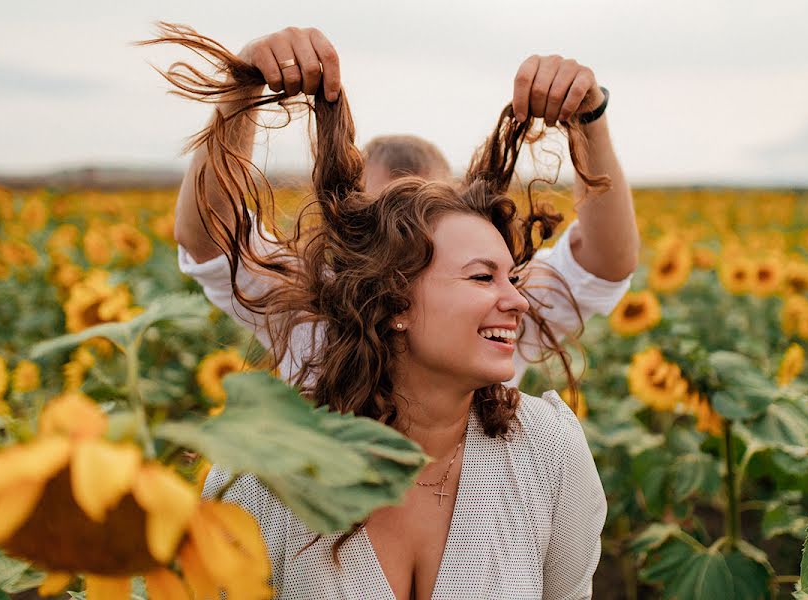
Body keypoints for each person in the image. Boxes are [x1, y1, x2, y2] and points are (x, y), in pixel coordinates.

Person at [144, 22, 638, 600]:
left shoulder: (540, 446)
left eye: (424, 220)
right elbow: (212, 237)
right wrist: (243, 90)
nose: (382, 254)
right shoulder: (270, 465)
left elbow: (604, 264)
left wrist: (589, 121)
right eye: (372, 230)